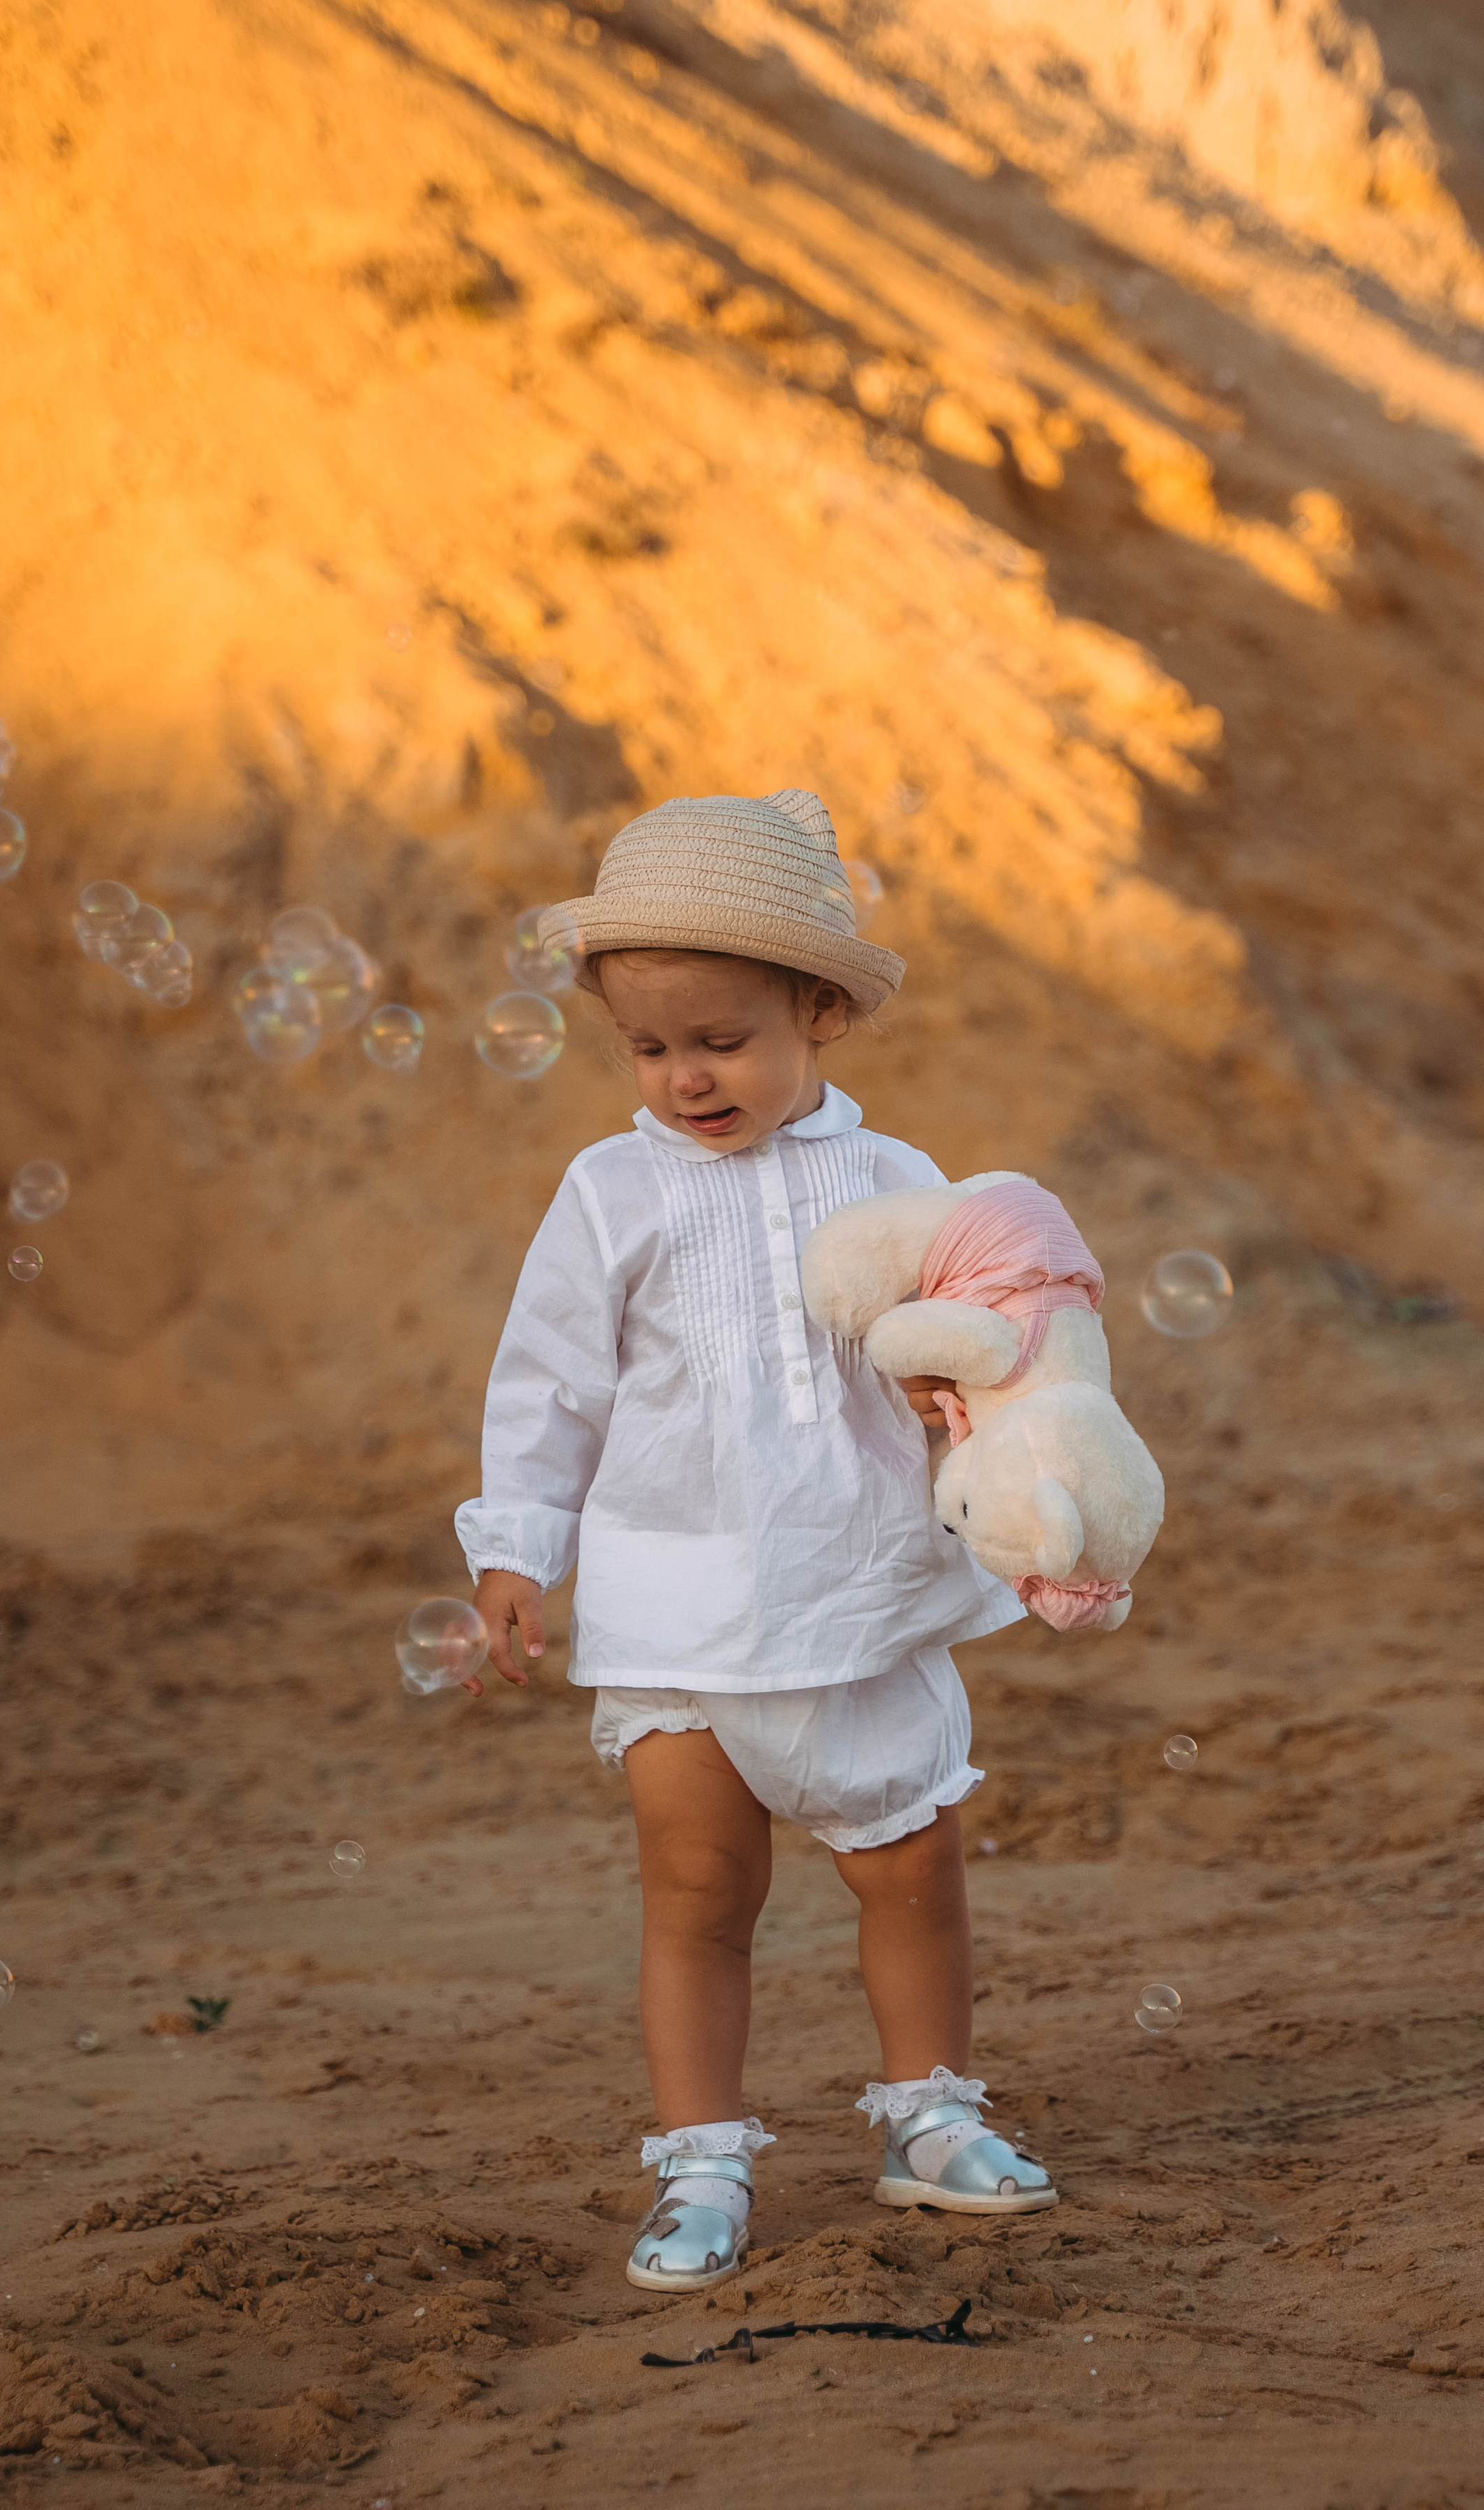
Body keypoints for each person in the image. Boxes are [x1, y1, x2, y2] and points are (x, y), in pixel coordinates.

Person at [455, 788, 1055, 2293]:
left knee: (908, 1865)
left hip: (847, 1589)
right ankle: (702, 2159)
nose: (682, 1077)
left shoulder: (888, 1180)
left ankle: (927, 2115)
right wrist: (515, 1546)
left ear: (819, 1013)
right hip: (674, 1601)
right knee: (697, 1890)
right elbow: (548, 1378)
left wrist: (970, 1413)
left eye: (720, 1038)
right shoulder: (610, 1189)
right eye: (647, 1048)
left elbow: (960, 1347)